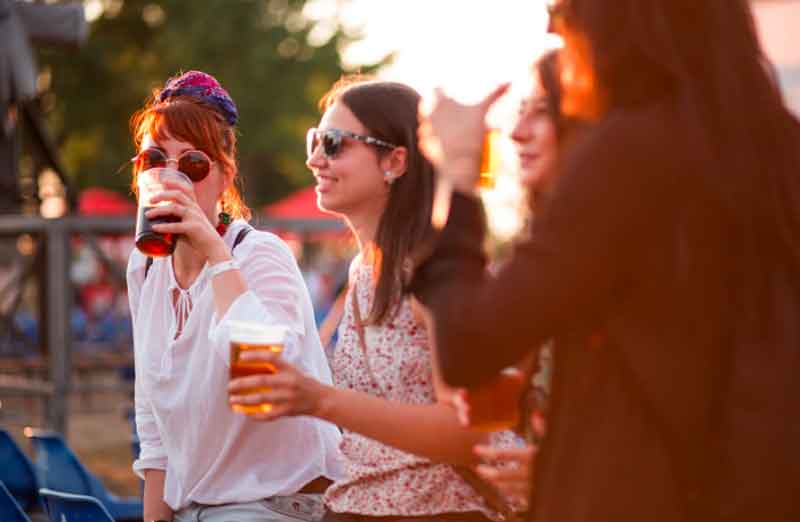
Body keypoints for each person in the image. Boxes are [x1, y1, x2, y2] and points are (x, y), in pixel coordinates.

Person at [411, 1, 800, 521]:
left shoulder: (630, 148)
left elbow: (468, 347)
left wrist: (457, 174)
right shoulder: (775, 147)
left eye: (564, 7)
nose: (552, 25)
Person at [229, 76, 518, 521]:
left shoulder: (432, 272)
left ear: (395, 160)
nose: (313, 160)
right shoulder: (363, 273)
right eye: (314, 141)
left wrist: (318, 399)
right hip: (354, 505)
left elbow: (467, 433)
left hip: (439, 511)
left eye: (333, 143)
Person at [126, 70, 342, 522]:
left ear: (224, 177)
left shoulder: (261, 255)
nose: (171, 175)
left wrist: (214, 252)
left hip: (280, 504)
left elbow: (260, 373)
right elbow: (152, 420)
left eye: (192, 164)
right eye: (154, 159)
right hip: (197, 508)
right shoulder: (144, 266)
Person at [468, 48, 571, 510]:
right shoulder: (543, 249)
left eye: (542, 111)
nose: (515, 131)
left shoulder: (633, 248)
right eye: (518, 111)